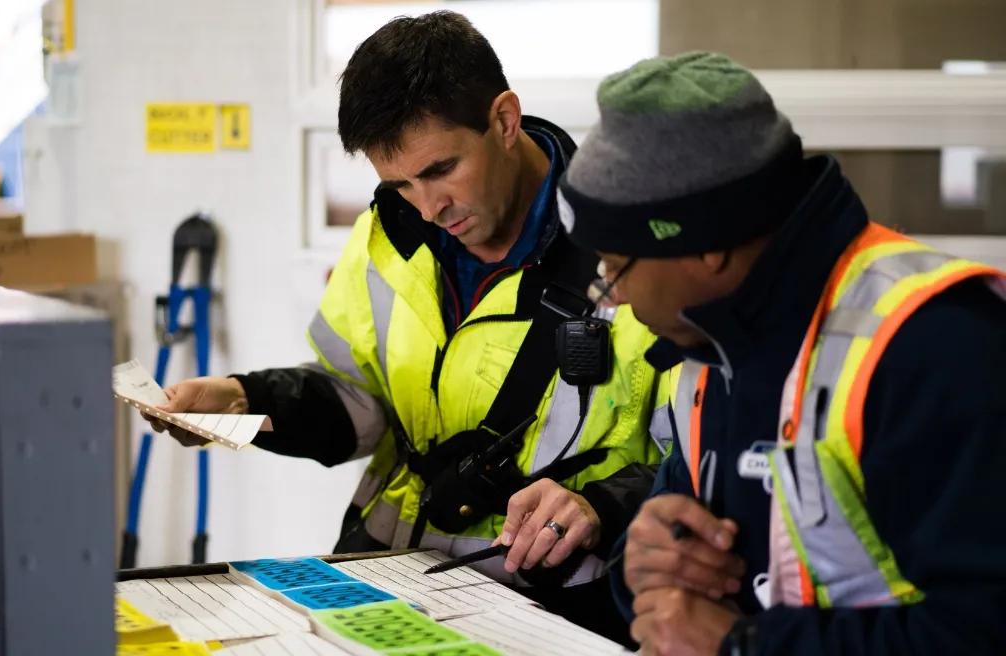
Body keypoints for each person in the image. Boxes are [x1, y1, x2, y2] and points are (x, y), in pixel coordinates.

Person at [146, 11, 668, 642]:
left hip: (553, 615)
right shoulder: (389, 234)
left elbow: (698, 461)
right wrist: (243, 400)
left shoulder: (632, 250)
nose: (428, 206)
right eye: (399, 183)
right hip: (383, 587)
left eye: (442, 170)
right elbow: (359, 398)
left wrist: (598, 505)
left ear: (504, 120)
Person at [552, 51, 1006, 654]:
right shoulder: (708, 345)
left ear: (706, 245)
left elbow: (986, 629)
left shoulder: (939, 346)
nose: (612, 298)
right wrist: (642, 562)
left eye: (616, 267)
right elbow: (678, 560)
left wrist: (745, 644)